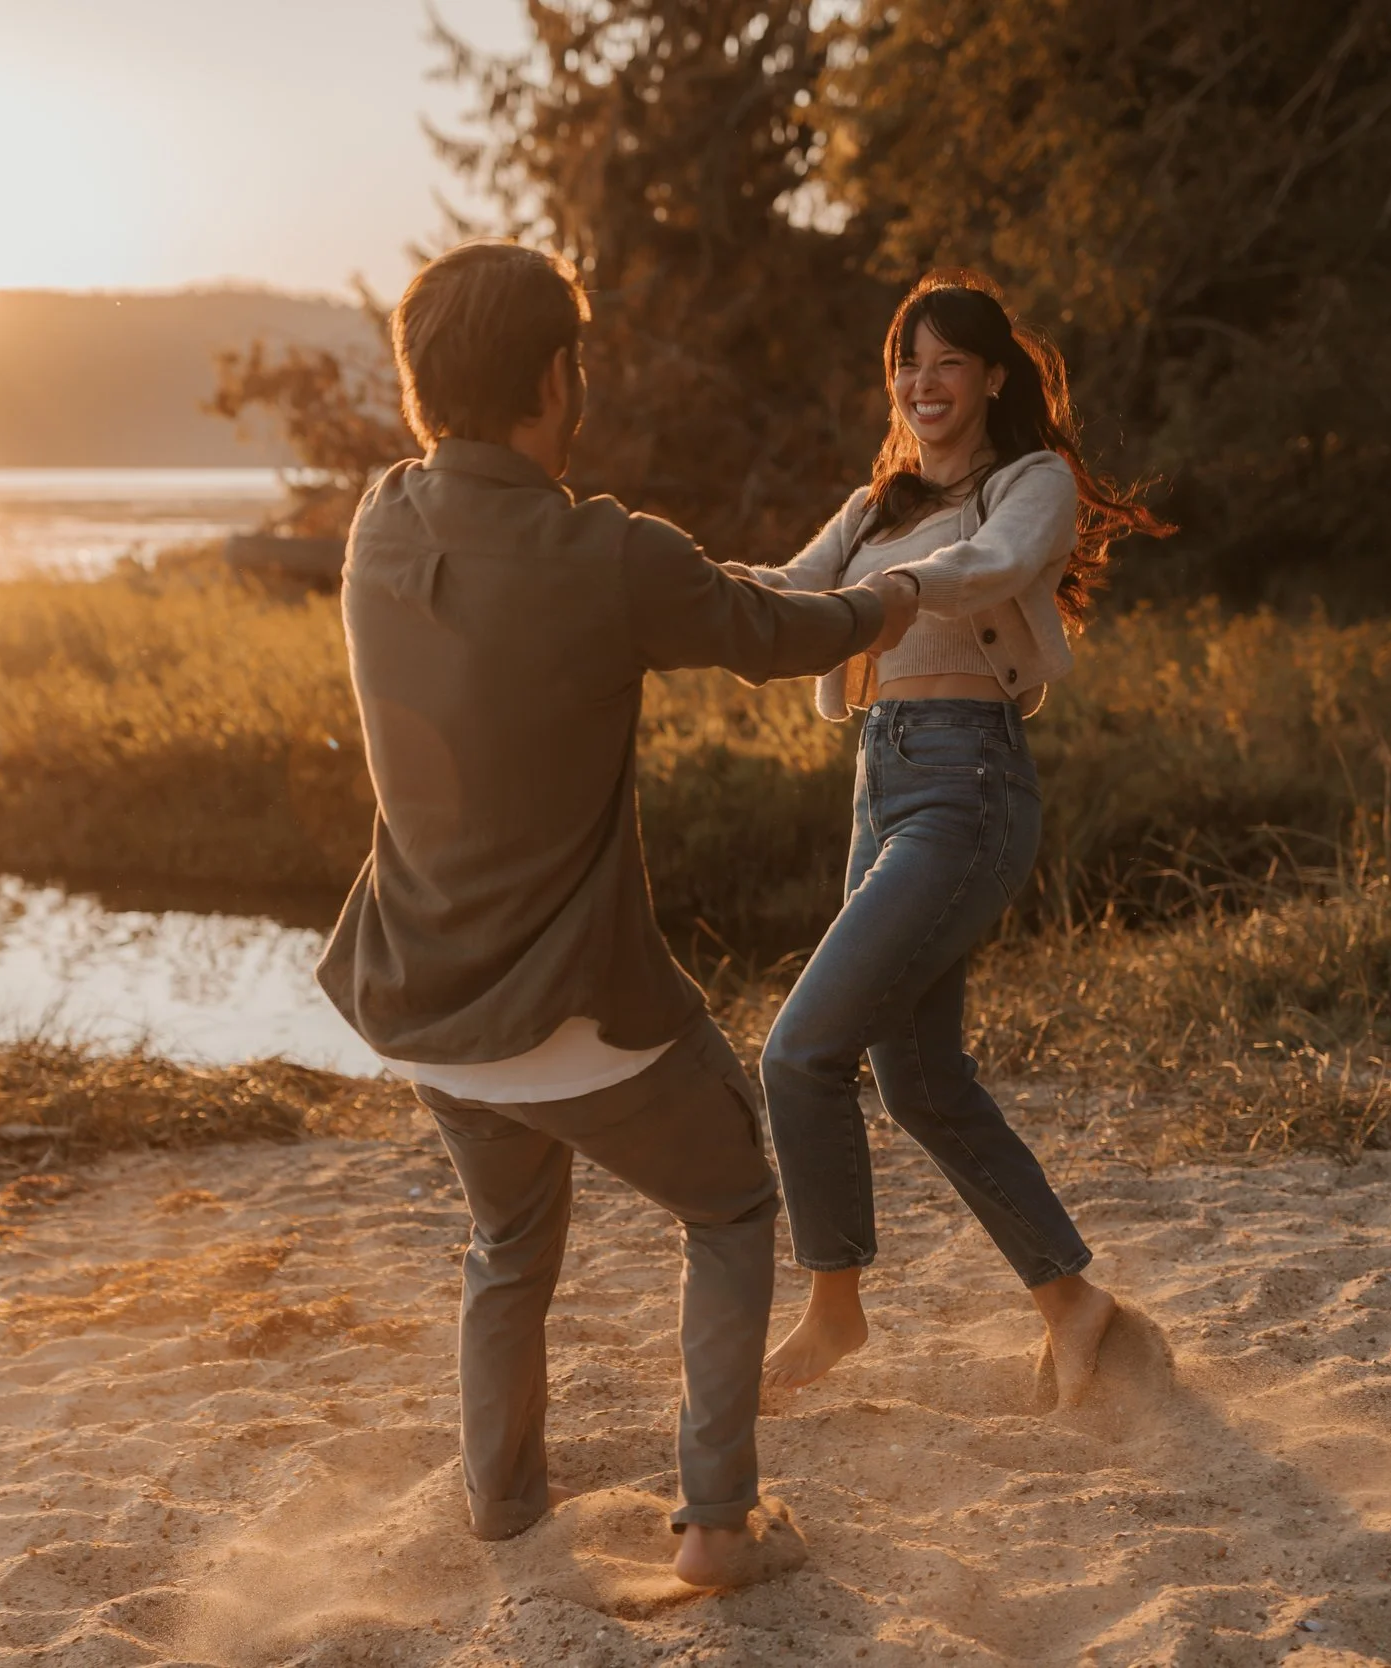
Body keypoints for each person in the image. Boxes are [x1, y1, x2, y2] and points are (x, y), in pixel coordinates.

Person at [316, 240, 920, 1587]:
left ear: (422, 387)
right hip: (573, 1014)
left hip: (424, 1009)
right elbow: (779, 636)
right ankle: (716, 1521)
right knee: (731, 1204)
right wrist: (897, 595)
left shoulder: (380, 521)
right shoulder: (608, 551)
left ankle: (501, 1500)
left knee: (508, 1237)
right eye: (573, 364)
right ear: (553, 378)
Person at [735, 271, 1170, 1406]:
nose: (923, 384)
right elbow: (786, 590)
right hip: (878, 784)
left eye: (945, 363)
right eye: (906, 364)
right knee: (918, 1079)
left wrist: (883, 596)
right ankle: (1072, 1304)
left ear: (988, 377)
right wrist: (668, 588)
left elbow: (996, 567)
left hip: (967, 781)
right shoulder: (871, 504)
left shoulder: (1029, 482)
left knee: (799, 1052)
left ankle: (833, 1309)